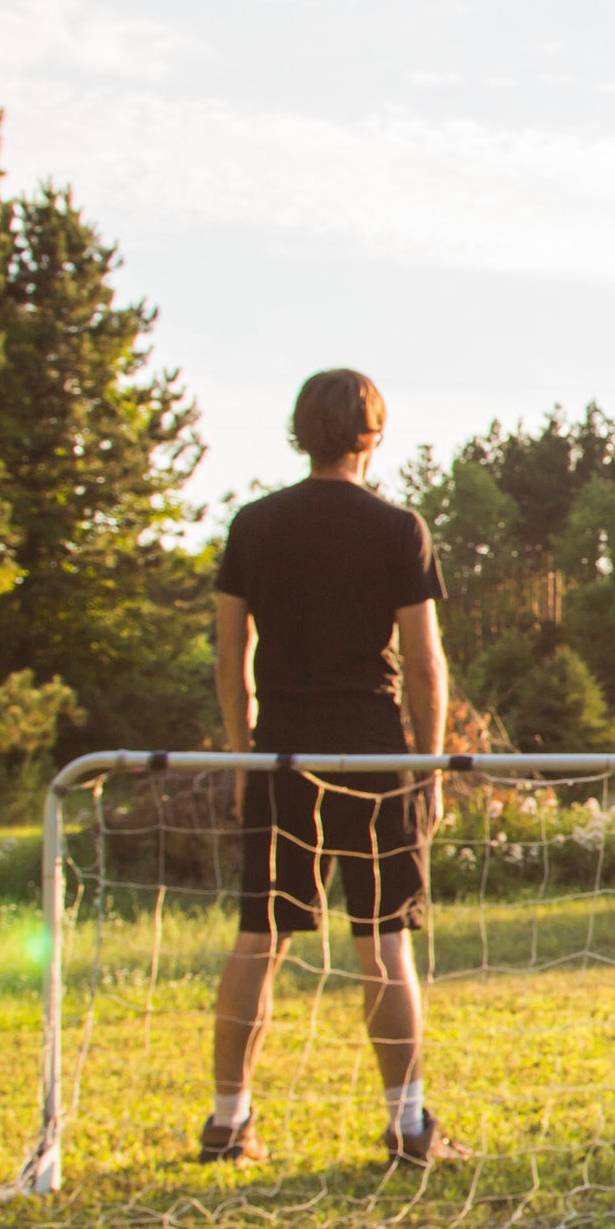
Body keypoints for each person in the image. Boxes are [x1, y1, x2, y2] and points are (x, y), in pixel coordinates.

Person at [200, 368, 472, 1168]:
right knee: (383, 945)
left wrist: (244, 754)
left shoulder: (253, 524)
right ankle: (409, 1127)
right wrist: (430, 768)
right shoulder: (399, 527)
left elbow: (230, 659)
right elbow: (425, 666)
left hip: (283, 753)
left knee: (259, 939)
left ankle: (227, 1123)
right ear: (372, 435)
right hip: (375, 757)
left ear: (299, 432)